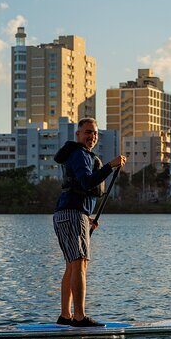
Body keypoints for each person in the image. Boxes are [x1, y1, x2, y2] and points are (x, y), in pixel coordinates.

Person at [53, 118, 126, 327]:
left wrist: (87, 218)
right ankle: (79, 317)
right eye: (87, 132)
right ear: (77, 134)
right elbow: (86, 181)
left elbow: (81, 187)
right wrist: (111, 166)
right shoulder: (80, 154)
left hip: (73, 213)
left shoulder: (79, 154)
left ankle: (65, 316)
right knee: (79, 263)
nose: (91, 136)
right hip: (72, 213)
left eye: (94, 133)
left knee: (73, 265)